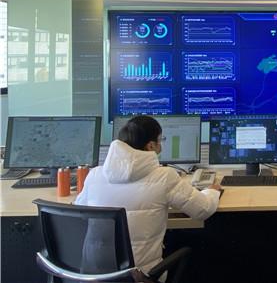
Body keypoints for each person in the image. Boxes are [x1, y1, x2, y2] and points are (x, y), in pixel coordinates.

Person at [75, 115, 221, 275]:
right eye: (160, 140)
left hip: (95, 275)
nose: (161, 145)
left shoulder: (94, 175)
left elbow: (79, 212)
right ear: (151, 146)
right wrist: (212, 191)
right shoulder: (164, 176)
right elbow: (203, 210)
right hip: (141, 276)